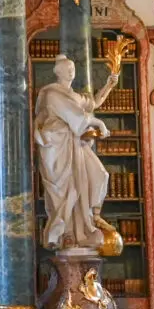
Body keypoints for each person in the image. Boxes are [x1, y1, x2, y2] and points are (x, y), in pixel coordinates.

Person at [33, 47, 122, 250]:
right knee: (65, 192)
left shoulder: (74, 95)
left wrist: (109, 84)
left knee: (100, 175)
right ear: (59, 72)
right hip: (57, 148)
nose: (71, 72)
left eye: (73, 68)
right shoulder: (52, 94)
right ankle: (68, 234)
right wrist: (99, 124)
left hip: (74, 145)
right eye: (67, 69)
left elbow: (93, 104)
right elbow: (79, 118)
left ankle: (91, 220)